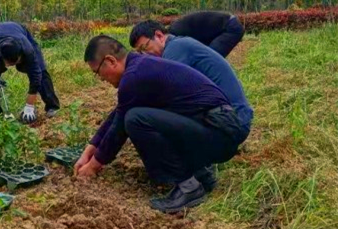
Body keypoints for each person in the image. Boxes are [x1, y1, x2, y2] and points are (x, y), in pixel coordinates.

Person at [76, 36, 247, 213]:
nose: (101, 79)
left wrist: (93, 166)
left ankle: (188, 187)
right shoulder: (140, 67)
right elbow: (119, 112)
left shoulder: (134, 76)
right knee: (136, 115)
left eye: (97, 72)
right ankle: (200, 174)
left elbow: (119, 128)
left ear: (110, 61)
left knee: (136, 119)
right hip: (218, 128)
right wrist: (90, 149)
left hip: (220, 131)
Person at [130, 20, 254, 191]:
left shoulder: (176, 49)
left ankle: (192, 178)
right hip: (230, 119)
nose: (145, 55)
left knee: (152, 116)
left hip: (231, 122)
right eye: (139, 52)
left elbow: (164, 94)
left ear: (159, 36)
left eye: (145, 48)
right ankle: (199, 167)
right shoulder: (180, 46)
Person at [0, 22, 60, 122]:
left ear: (21, 55)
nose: (11, 66)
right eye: (8, 63)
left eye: (15, 62)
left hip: (19, 30)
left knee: (40, 71)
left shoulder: (27, 49)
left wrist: (29, 106)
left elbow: (36, 76)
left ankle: (52, 106)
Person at [168, 11, 244, 58]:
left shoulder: (175, 34)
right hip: (221, 28)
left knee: (209, 59)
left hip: (229, 27)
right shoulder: (175, 30)